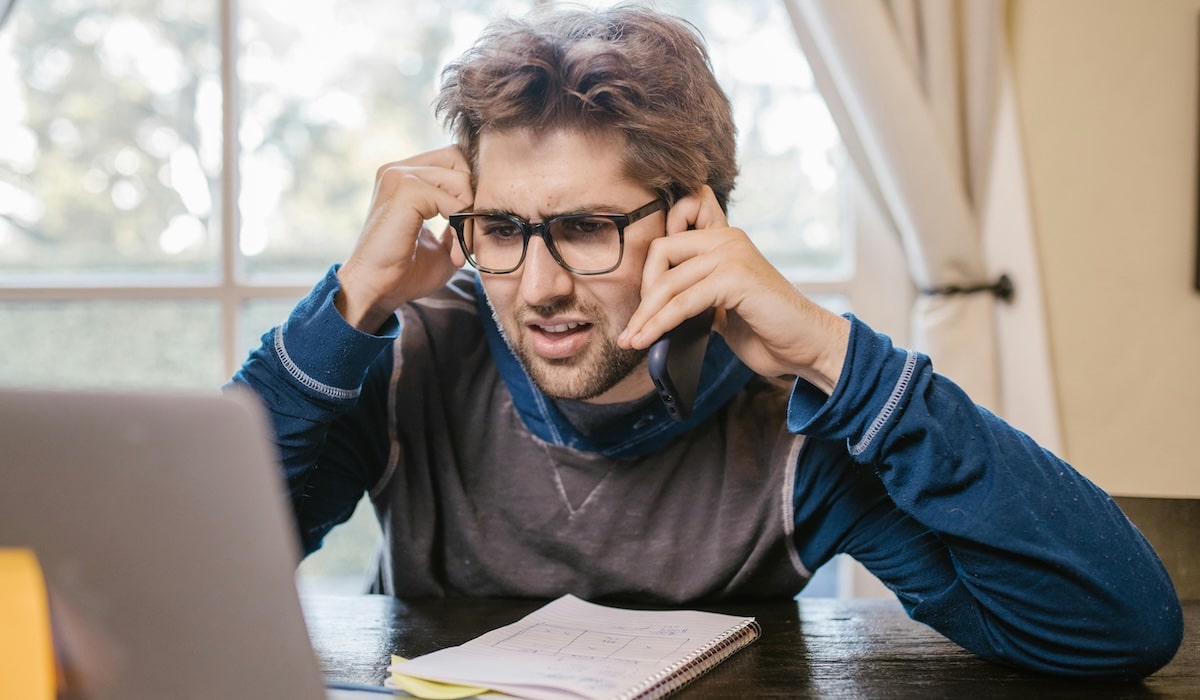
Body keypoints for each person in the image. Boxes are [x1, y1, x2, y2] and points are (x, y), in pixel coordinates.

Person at [232, 3, 1182, 680]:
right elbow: (200, 580)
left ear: (694, 221)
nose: (541, 286)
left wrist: (834, 356)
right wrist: (347, 306)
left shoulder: (797, 423)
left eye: (590, 226)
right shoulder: (405, 364)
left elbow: (1114, 631)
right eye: (506, 229)